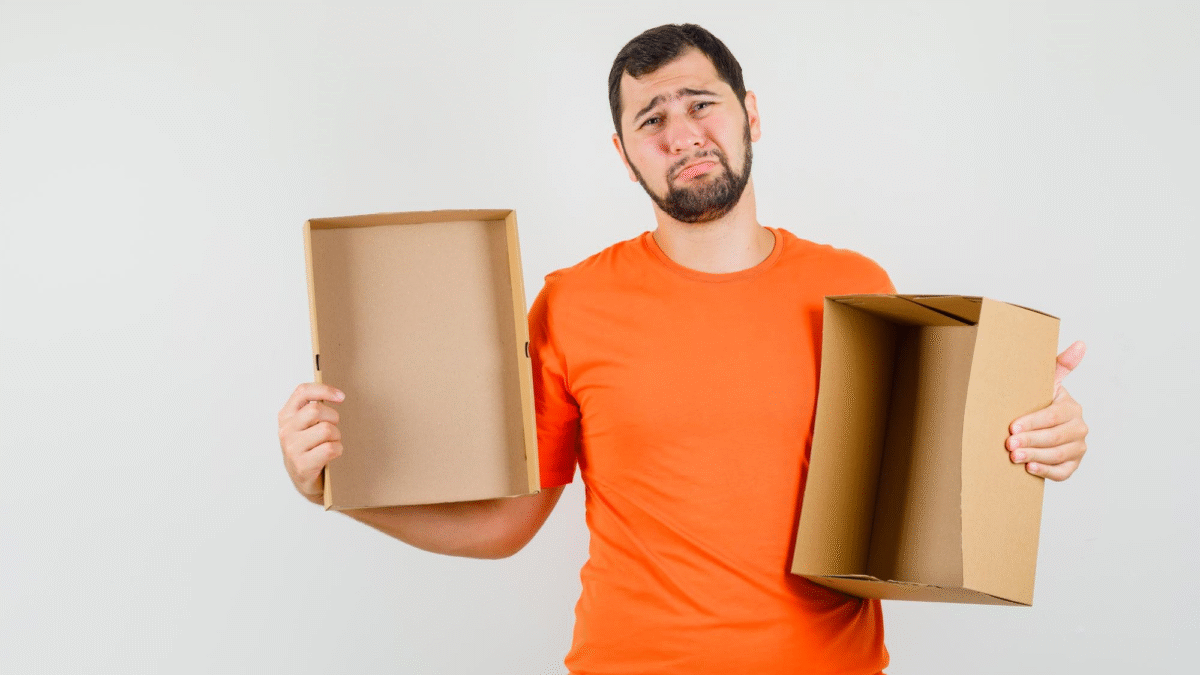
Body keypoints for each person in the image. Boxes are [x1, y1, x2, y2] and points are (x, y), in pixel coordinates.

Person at [276, 23, 1090, 675]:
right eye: (651, 119)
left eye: (702, 102)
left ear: (751, 114)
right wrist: (336, 489)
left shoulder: (857, 287)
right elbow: (506, 523)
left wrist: (1031, 431)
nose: (682, 133)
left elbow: (924, 488)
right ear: (626, 155)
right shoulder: (573, 302)